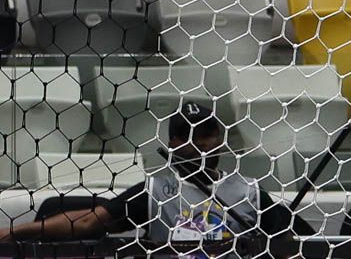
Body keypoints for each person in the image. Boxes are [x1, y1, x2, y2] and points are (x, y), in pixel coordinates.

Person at [0, 102, 294, 258]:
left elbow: (288, 249)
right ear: (172, 143)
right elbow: (90, 221)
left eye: (207, 135)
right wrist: (16, 231)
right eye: (189, 136)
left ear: (219, 140)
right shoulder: (155, 193)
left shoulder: (250, 192)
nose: (201, 144)